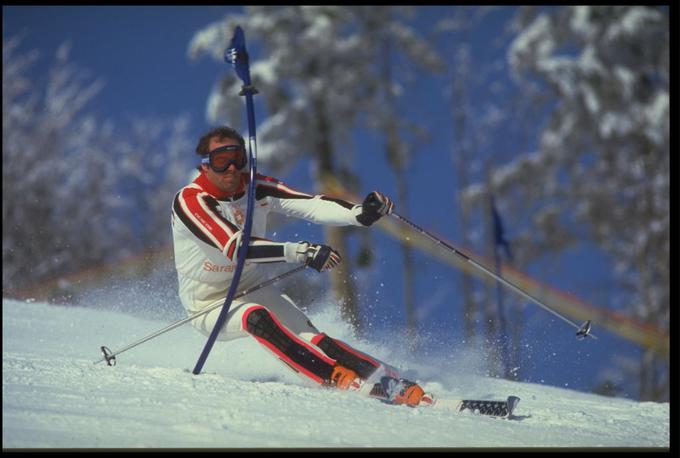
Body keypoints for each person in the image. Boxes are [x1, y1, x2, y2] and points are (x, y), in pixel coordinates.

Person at [171, 126, 427, 406]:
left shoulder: (257, 187)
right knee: (256, 317)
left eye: (238, 158)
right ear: (205, 165)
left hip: (251, 286)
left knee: (313, 337)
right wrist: (299, 251)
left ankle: (387, 377)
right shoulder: (191, 200)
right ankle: (333, 377)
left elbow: (310, 205)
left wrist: (359, 214)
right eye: (221, 160)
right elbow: (236, 247)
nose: (231, 168)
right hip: (208, 303)